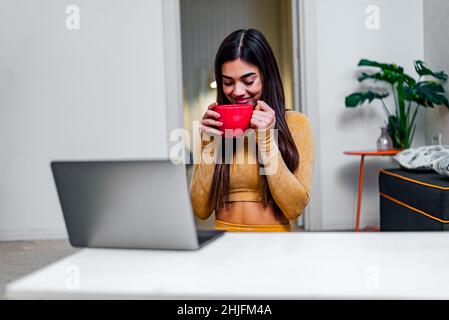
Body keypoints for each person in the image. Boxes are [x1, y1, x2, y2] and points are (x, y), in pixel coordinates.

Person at [189, 28, 313, 232]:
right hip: (224, 247)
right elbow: (200, 209)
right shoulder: (216, 129)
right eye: (228, 82)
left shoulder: (297, 124)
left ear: (267, 75)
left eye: (248, 81)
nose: (237, 92)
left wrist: (266, 140)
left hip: (274, 245)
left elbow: (295, 208)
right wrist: (208, 146)